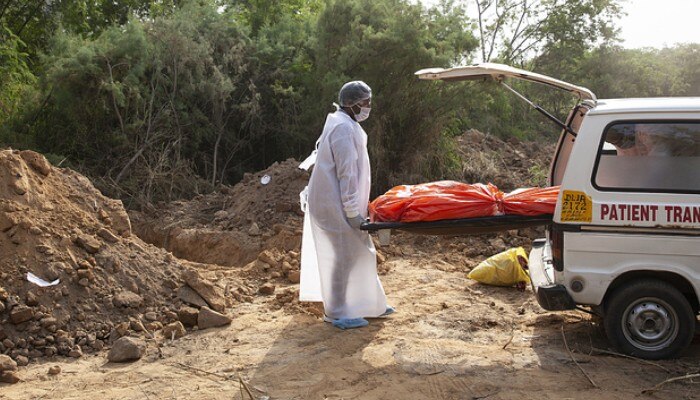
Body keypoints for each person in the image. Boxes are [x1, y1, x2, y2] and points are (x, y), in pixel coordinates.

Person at [299, 81, 393, 330]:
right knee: (342, 258)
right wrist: (352, 211)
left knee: (359, 252)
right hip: (334, 205)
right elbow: (346, 173)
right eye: (366, 103)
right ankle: (337, 312)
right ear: (352, 104)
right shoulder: (343, 128)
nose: (369, 107)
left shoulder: (344, 123)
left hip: (338, 202)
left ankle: (370, 304)